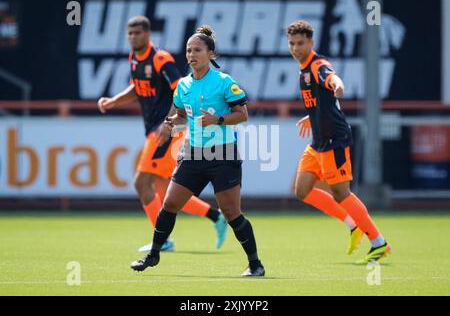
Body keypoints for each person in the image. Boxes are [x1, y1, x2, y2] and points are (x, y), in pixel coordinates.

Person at [131, 25, 265, 276]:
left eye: (198, 50)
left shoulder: (224, 82)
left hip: (222, 155)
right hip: (192, 153)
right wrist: (171, 124)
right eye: (188, 50)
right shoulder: (182, 85)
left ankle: (255, 263)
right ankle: (154, 254)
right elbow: (182, 116)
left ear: (210, 54)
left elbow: (242, 114)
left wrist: (218, 120)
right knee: (170, 203)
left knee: (232, 213)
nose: (192, 55)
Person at [97, 16, 227, 253]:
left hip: (168, 129)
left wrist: (168, 124)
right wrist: (114, 101)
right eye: (130, 33)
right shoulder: (134, 58)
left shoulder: (160, 59)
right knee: (164, 190)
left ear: (147, 34)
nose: (133, 37)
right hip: (155, 129)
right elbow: (137, 87)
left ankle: (163, 240)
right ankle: (215, 216)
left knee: (141, 182)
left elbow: (180, 89)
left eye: (137, 33)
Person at [287, 20, 391, 264]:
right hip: (317, 141)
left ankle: (379, 242)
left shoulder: (317, 65)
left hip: (334, 139)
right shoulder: (303, 70)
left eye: (300, 43)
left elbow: (331, 78)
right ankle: (353, 225)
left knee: (341, 193)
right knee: (302, 190)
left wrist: (339, 85)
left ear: (311, 42)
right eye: (292, 43)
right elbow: (324, 101)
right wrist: (311, 116)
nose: (295, 48)